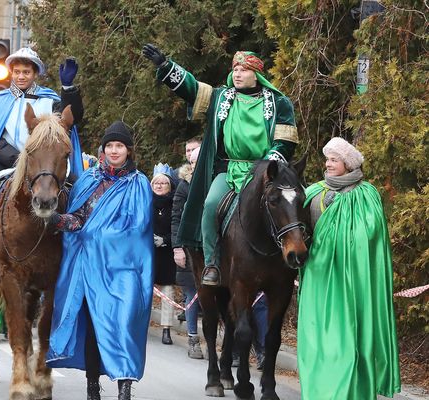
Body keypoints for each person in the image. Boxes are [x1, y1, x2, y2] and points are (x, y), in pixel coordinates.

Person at [143, 44, 298, 286]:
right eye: (235, 68)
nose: (237, 73)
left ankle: (292, 257)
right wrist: (166, 66)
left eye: (243, 69)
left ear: (256, 74)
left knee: (290, 205)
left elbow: (285, 141)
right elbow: (192, 89)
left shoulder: (280, 103)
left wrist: (271, 163)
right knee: (210, 204)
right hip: (229, 170)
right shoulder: (221, 98)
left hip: (266, 172)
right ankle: (212, 262)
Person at [45, 122, 152, 400]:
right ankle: (93, 386)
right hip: (89, 268)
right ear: (102, 150)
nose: (114, 151)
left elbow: (136, 229)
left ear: (128, 150)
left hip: (124, 269)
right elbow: (77, 219)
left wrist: (92, 233)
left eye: (119, 146)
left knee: (124, 325)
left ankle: (124, 388)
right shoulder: (89, 180)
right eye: (109, 146)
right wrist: (57, 220)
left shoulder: (139, 183)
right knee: (93, 326)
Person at [0, 48, 85, 271]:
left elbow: (73, 117)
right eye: (17, 72)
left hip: (44, 163)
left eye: (26, 72)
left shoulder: (49, 99)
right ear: (11, 73)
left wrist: (68, 89)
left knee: (76, 187)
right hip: (7, 160)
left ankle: (75, 243)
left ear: (35, 74)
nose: (21, 76)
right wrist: (21, 159)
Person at [297, 137, 400, 399]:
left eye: (334, 159)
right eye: (327, 159)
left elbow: (372, 238)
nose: (328, 164)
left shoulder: (367, 194)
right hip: (318, 278)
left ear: (348, 163)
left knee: (348, 341)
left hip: (352, 281)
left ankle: (350, 391)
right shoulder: (312, 192)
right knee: (317, 338)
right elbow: (297, 233)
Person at [171, 145, 204, 359]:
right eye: (193, 162)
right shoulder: (184, 186)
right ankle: (193, 338)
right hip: (190, 248)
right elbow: (176, 218)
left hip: (211, 247)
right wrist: (177, 248)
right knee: (192, 295)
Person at [150, 164, 176, 345]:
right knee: (144, 290)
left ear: (170, 185)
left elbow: (178, 228)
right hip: (148, 252)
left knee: (168, 291)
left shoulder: (175, 202)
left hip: (167, 253)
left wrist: (165, 240)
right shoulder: (145, 201)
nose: (159, 186)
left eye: (163, 183)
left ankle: (166, 328)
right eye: (156, 183)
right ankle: (141, 324)